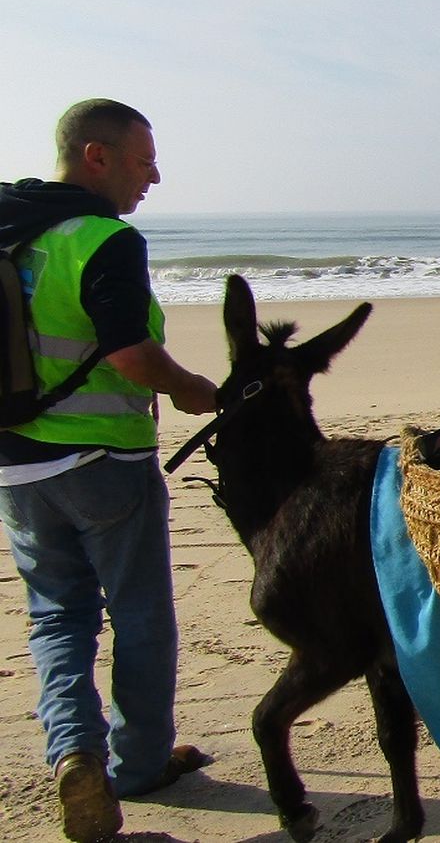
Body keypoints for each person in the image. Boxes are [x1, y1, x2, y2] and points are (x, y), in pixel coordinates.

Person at [0, 99, 217, 842]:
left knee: (56, 616)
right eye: (141, 159)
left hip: (17, 466)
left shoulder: (9, 230)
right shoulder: (103, 241)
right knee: (140, 614)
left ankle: (74, 756)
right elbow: (130, 355)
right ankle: (140, 763)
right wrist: (192, 389)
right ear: (95, 156)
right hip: (104, 460)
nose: (153, 175)